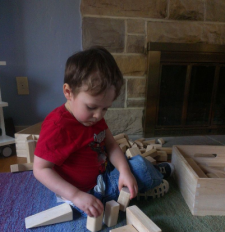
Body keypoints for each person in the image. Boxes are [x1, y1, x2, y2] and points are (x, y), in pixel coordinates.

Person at [33, 46, 173, 218]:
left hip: (103, 171)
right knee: (140, 168)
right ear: (68, 92)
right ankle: (153, 176)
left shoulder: (93, 117)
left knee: (134, 166)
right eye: (91, 107)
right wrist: (76, 196)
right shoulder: (58, 126)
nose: (99, 115)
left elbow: (112, 145)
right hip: (87, 192)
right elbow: (40, 169)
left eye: (105, 108)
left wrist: (124, 171)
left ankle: (148, 174)